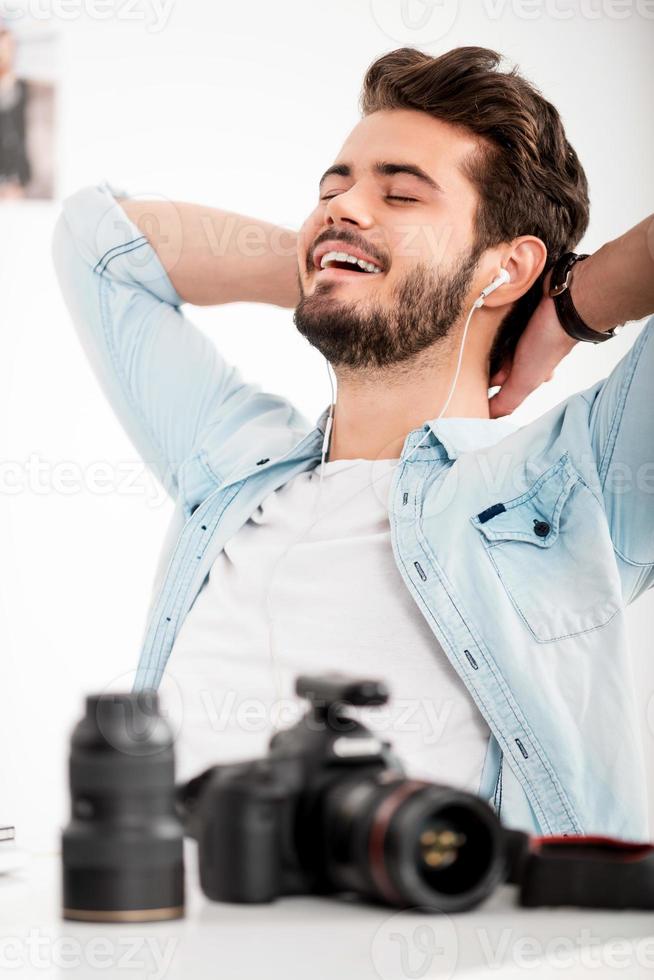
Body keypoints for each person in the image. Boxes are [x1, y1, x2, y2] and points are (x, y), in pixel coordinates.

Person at [53, 46, 654, 840]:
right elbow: (97, 242)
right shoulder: (234, 462)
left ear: (507, 268)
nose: (344, 205)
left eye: (401, 193)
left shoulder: (579, 480)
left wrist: (567, 308)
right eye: (332, 189)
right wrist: (341, 262)